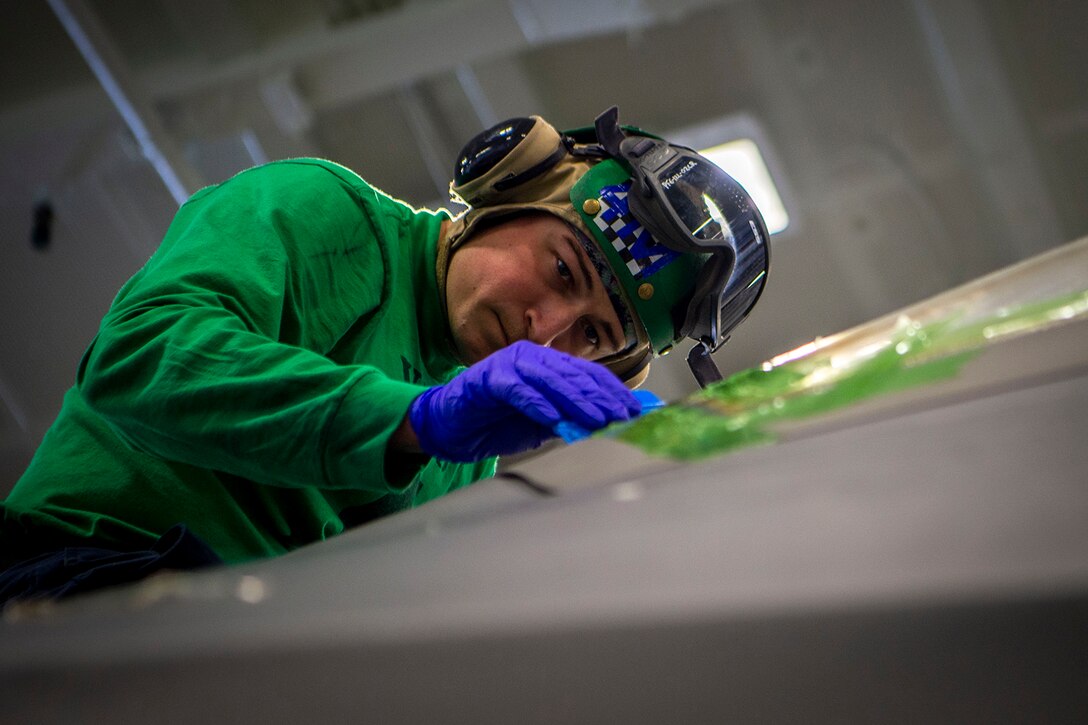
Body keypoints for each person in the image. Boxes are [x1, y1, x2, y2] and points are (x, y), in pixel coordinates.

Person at [0, 107, 770, 604]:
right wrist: (410, 419)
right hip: (74, 575)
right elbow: (139, 357)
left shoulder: (471, 447)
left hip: (231, 639)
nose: (548, 333)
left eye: (594, 336)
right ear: (506, 186)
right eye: (562, 269)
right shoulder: (320, 209)